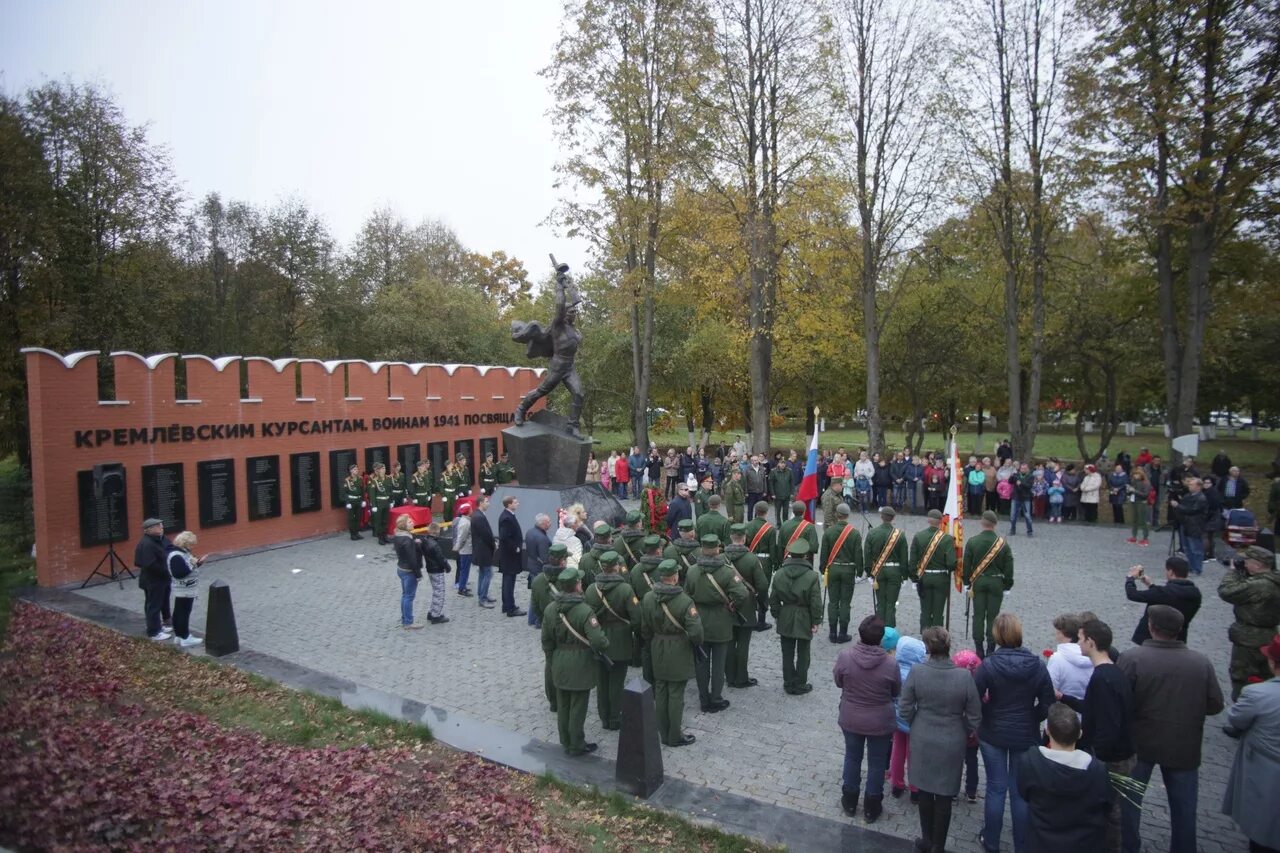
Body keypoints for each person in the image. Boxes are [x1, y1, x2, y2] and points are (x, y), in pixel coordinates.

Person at [1118, 604, 1224, 853]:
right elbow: (1215, 704)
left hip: (1140, 743)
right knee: (1184, 809)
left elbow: (1119, 700)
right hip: (1183, 746)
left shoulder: (1134, 658)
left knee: (1129, 803)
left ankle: (1128, 847)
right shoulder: (1200, 662)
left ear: (1151, 627)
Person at [974, 613, 1055, 853]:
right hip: (1024, 733)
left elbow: (975, 698)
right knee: (1020, 791)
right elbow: (1048, 703)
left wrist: (988, 713)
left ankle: (991, 841)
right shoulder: (1037, 665)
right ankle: (1022, 844)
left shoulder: (989, 664)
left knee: (996, 787)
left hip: (993, 732)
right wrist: (1032, 717)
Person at [902, 626, 983, 853]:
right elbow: (975, 715)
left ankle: (928, 839)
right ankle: (938, 845)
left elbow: (905, 706)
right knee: (945, 793)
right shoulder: (964, 676)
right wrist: (962, 729)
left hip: (923, 737)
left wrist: (916, 724)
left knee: (925, 790)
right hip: (952, 740)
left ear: (928, 648)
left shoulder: (917, 672)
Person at [1059, 619, 1134, 853]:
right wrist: (1065, 699)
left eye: (1080, 638)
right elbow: (1093, 708)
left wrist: (1092, 757)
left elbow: (1108, 726)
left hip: (1111, 759)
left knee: (1109, 814)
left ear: (1091, 642)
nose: (1078, 642)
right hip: (1115, 753)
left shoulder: (1103, 678)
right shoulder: (1112, 671)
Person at [1016, 703, 1112, 853]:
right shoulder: (1098, 770)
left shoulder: (1030, 761)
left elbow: (1024, 792)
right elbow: (1106, 805)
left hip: (1042, 842)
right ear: (1080, 733)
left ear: (1047, 731)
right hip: (1084, 843)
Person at [833, 615, 900, 823]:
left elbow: (838, 681)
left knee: (852, 757)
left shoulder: (845, 656)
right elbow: (896, 690)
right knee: (877, 762)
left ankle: (850, 799)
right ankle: (872, 805)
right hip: (879, 720)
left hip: (852, 716)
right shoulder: (890, 664)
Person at [1222, 634, 1280, 853]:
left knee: (1263, 825)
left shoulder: (1258, 693)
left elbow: (1237, 719)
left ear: (1272, 661)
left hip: (1265, 768)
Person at [542, 568, 609, 755]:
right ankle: (577, 744)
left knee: (563, 705)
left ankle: (565, 740)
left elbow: (546, 640)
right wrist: (604, 642)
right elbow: (597, 640)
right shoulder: (585, 611)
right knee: (578, 706)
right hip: (581, 663)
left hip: (559, 660)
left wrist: (552, 658)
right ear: (577, 585)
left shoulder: (550, 609)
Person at [639, 559, 702, 747]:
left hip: (657, 645)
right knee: (675, 693)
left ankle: (663, 733)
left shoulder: (649, 597)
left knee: (660, 689)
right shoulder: (684, 601)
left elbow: (644, 628)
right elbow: (696, 632)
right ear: (675, 577)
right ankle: (674, 735)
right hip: (678, 648)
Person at [685, 534, 751, 713]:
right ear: (717, 549)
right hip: (721, 620)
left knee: (701, 663)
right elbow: (742, 594)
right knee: (719, 663)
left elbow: (686, 596)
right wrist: (732, 604)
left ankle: (703, 698)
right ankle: (716, 697)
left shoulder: (692, 571)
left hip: (699, 620)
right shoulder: (727, 572)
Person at [585, 551, 640, 730]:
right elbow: (636, 617)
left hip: (597, 636)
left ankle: (604, 716)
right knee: (617, 681)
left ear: (601, 567)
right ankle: (615, 718)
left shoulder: (591, 589)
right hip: (621, 640)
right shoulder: (625, 589)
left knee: (602, 681)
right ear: (616, 566)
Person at [1218, 545, 1280, 699]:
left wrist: (1232, 572)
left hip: (1249, 639)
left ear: (1258, 565)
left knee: (1243, 679)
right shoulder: (1273, 580)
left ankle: (1244, 711)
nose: (1244, 564)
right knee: (1266, 677)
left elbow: (1226, 591)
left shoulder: (1260, 585)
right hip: (1269, 635)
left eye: (1247, 561)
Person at [770, 537, 823, 695]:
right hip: (804, 615)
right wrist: (816, 621)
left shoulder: (779, 574)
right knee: (803, 652)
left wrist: (777, 614)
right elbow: (815, 602)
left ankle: (788, 681)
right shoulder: (812, 576)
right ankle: (800, 682)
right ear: (805, 556)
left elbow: (773, 599)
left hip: (785, 614)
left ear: (789, 555)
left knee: (786, 652)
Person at [724, 524, 768, 688]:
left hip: (726, 605)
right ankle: (741, 677)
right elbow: (762, 585)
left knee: (729, 642)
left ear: (731, 538)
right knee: (743, 643)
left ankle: (729, 676)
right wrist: (763, 603)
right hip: (747, 605)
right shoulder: (752, 559)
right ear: (744, 538)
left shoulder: (722, 558)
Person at [963, 511, 1013, 659]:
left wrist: (967, 582)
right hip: (996, 582)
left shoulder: (972, 541)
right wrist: (1007, 585)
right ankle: (991, 648)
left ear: (982, 522)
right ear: (995, 524)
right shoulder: (1002, 544)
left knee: (977, 615)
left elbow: (967, 565)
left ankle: (979, 648)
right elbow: (1009, 567)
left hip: (978, 582)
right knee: (993, 616)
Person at [1124, 556, 1201, 645]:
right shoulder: (1195, 593)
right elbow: (1165, 597)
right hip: (1179, 639)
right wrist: (1151, 585)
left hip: (1153, 639)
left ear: (1171, 572)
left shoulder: (1162, 593)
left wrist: (1130, 578)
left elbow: (1132, 595)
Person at [533, 544, 570, 710]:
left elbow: (535, 608)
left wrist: (544, 620)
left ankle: (553, 700)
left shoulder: (538, 580)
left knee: (550, 662)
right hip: (566, 628)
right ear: (562, 561)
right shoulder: (568, 579)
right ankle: (565, 695)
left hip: (547, 626)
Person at [888, 633, 923, 800]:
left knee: (897, 749)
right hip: (915, 720)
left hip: (897, 718)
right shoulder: (920, 674)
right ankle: (915, 788)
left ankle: (896, 783)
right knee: (914, 753)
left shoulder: (894, 670)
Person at [821, 503, 863, 644]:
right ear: (847, 515)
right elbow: (858, 554)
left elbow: (824, 554)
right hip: (848, 570)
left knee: (833, 602)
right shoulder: (855, 533)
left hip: (833, 569)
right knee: (845, 602)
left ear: (836, 514)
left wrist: (823, 570)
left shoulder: (829, 532)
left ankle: (832, 632)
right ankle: (843, 633)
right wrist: (860, 571)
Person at [910, 508, 955, 632]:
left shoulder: (919, 536)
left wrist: (914, 578)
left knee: (925, 610)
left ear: (928, 520)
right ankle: (937, 638)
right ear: (941, 522)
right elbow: (951, 563)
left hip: (924, 577)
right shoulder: (947, 539)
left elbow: (913, 561)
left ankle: (925, 637)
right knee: (938, 611)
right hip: (941, 578)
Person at [865, 506, 908, 628]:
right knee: (891, 603)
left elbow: (867, 555)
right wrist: (905, 576)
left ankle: (878, 630)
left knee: (881, 603)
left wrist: (869, 573)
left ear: (881, 517)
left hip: (878, 572)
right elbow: (904, 558)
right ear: (893, 518)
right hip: (894, 571)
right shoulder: (900, 535)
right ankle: (889, 632)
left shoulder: (872, 533)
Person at [134, 517, 175, 641]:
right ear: (149, 529)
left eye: (161, 525)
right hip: (153, 580)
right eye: (158, 526)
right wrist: (167, 571)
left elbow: (170, 549)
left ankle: (159, 625)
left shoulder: (159, 539)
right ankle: (154, 631)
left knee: (160, 602)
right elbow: (148, 564)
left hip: (161, 580)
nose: (161, 527)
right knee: (153, 605)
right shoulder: (147, 544)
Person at [166, 530, 204, 647]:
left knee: (179, 611)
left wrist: (197, 563)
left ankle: (179, 635)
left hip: (184, 588)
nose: (192, 547)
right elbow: (180, 573)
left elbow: (186, 567)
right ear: (185, 543)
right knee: (183, 613)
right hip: (184, 588)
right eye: (191, 544)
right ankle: (185, 636)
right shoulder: (177, 556)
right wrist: (193, 564)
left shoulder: (181, 553)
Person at [1046, 612, 1094, 701]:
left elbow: (1050, 689)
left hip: (1065, 710)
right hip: (1089, 709)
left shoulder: (1057, 658)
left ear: (1061, 633)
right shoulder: (1092, 656)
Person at [1170, 476, 1209, 575]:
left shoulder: (1201, 498)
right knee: (1187, 548)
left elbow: (1192, 510)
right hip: (1185, 524)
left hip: (1195, 526)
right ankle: (1191, 567)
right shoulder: (1188, 495)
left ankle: (1197, 568)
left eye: (1192, 484)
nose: (1189, 486)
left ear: (1198, 486)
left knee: (1196, 548)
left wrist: (1178, 505)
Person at [392, 514, 424, 630]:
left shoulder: (399, 536)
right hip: (409, 571)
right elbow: (412, 559)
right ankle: (408, 622)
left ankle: (404, 618)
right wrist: (418, 574)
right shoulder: (407, 540)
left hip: (401, 568)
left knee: (405, 595)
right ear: (404, 525)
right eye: (409, 522)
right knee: (409, 596)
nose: (413, 523)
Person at [416, 522, 451, 624]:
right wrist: (447, 567)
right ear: (437, 532)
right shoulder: (435, 545)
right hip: (437, 570)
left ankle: (432, 612)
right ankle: (436, 615)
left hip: (430, 569)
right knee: (439, 593)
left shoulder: (425, 541)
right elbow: (440, 558)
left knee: (436, 591)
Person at [497, 496, 525, 617]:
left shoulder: (509, 515)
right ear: (509, 504)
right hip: (509, 555)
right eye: (515, 502)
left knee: (508, 581)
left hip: (509, 555)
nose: (517, 503)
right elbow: (504, 536)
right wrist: (515, 547)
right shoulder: (506, 518)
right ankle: (510, 608)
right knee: (509, 581)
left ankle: (507, 605)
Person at [522, 513, 552, 623]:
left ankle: (531, 618)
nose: (550, 523)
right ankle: (538, 620)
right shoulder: (542, 538)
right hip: (539, 569)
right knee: (540, 596)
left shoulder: (530, 532)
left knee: (534, 595)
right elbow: (545, 558)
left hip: (531, 566)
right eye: (548, 522)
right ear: (542, 524)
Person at [470, 495, 497, 608]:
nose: (488, 504)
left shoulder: (478, 515)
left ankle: (482, 594)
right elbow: (485, 534)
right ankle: (483, 598)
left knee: (483, 573)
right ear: (481, 503)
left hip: (481, 549)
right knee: (487, 573)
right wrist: (493, 544)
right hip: (483, 550)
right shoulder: (479, 517)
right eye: (486, 501)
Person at [1126, 467, 1153, 544]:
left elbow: (1145, 494)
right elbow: (1131, 492)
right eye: (1134, 474)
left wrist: (1134, 491)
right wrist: (1129, 490)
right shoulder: (1133, 482)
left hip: (1142, 503)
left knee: (1143, 521)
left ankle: (1145, 538)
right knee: (1134, 520)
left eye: (1137, 474)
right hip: (1134, 501)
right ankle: (1134, 536)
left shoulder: (1146, 483)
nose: (1135, 476)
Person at [367, 462, 392, 543]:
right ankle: (380, 538)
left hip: (386, 502)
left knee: (385, 520)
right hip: (379, 503)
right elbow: (372, 494)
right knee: (378, 521)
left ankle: (385, 536)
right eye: (381, 469)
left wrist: (391, 501)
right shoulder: (374, 481)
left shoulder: (388, 478)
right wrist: (373, 505)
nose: (383, 470)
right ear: (378, 470)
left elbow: (390, 491)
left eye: (384, 468)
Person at [452, 504, 473, 597]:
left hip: (466, 549)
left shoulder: (465, 521)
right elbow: (462, 537)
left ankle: (462, 585)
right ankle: (462, 588)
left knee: (464, 569)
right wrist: (458, 546)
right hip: (466, 550)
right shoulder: (465, 523)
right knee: (464, 569)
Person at [1009, 463, 1034, 536]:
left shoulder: (1031, 476)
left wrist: (1021, 483)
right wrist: (1011, 476)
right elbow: (1010, 482)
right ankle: (1012, 529)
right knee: (1013, 515)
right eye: (1022, 468)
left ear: (1027, 469)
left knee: (1027, 515)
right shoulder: (1016, 475)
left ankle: (1030, 531)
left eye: (1024, 468)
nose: (1023, 470)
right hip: (1016, 497)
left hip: (1025, 498)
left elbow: (1029, 486)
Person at [343, 464, 366, 540]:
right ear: (351, 471)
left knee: (358, 517)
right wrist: (348, 502)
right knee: (351, 518)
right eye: (354, 469)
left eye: (357, 469)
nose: (356, 471)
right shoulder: (347, 480)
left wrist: (363, 500)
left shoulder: (360, 479)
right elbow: (345, 492)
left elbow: (362, 490)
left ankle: (357, 532)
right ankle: (352, 534)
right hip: (351, 501)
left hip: (358, 500)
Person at [770, 458, 795, 523]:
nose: (783, 465)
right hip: (777, 495)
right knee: (777, 511)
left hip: (787, 495)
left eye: (784, 463)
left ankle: (785, 523)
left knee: (786, 511)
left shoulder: (789, 471)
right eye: (781, 463)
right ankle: (778, 524)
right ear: (778, 464)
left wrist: (792, 492)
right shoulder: (773, 471)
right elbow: (771, 483)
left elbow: (792, 482)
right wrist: (772, 494)